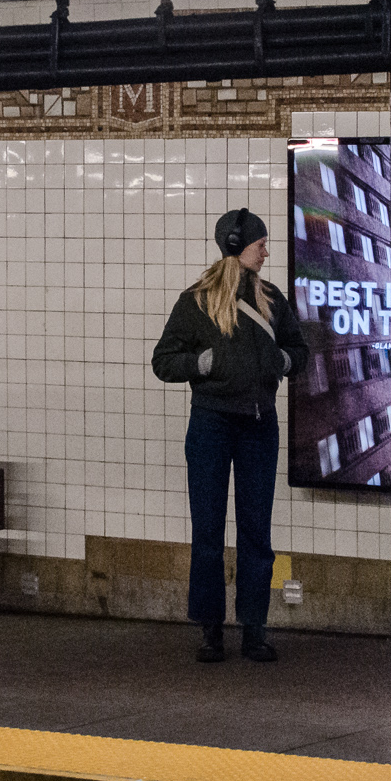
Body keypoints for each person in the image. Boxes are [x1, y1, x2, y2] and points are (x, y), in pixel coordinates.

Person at [152, 208, 309, 663]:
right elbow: (163, 361)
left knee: (256, 531)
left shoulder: (273, 299)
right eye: (261, 244)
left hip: (260, 426)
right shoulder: (197, 301)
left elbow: (300, 351)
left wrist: (281, 362)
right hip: (211, 426)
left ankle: (254, 628)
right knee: (208, 530)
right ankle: (211, 628)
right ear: (240, 247)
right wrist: (202, 363)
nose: (266, 250)